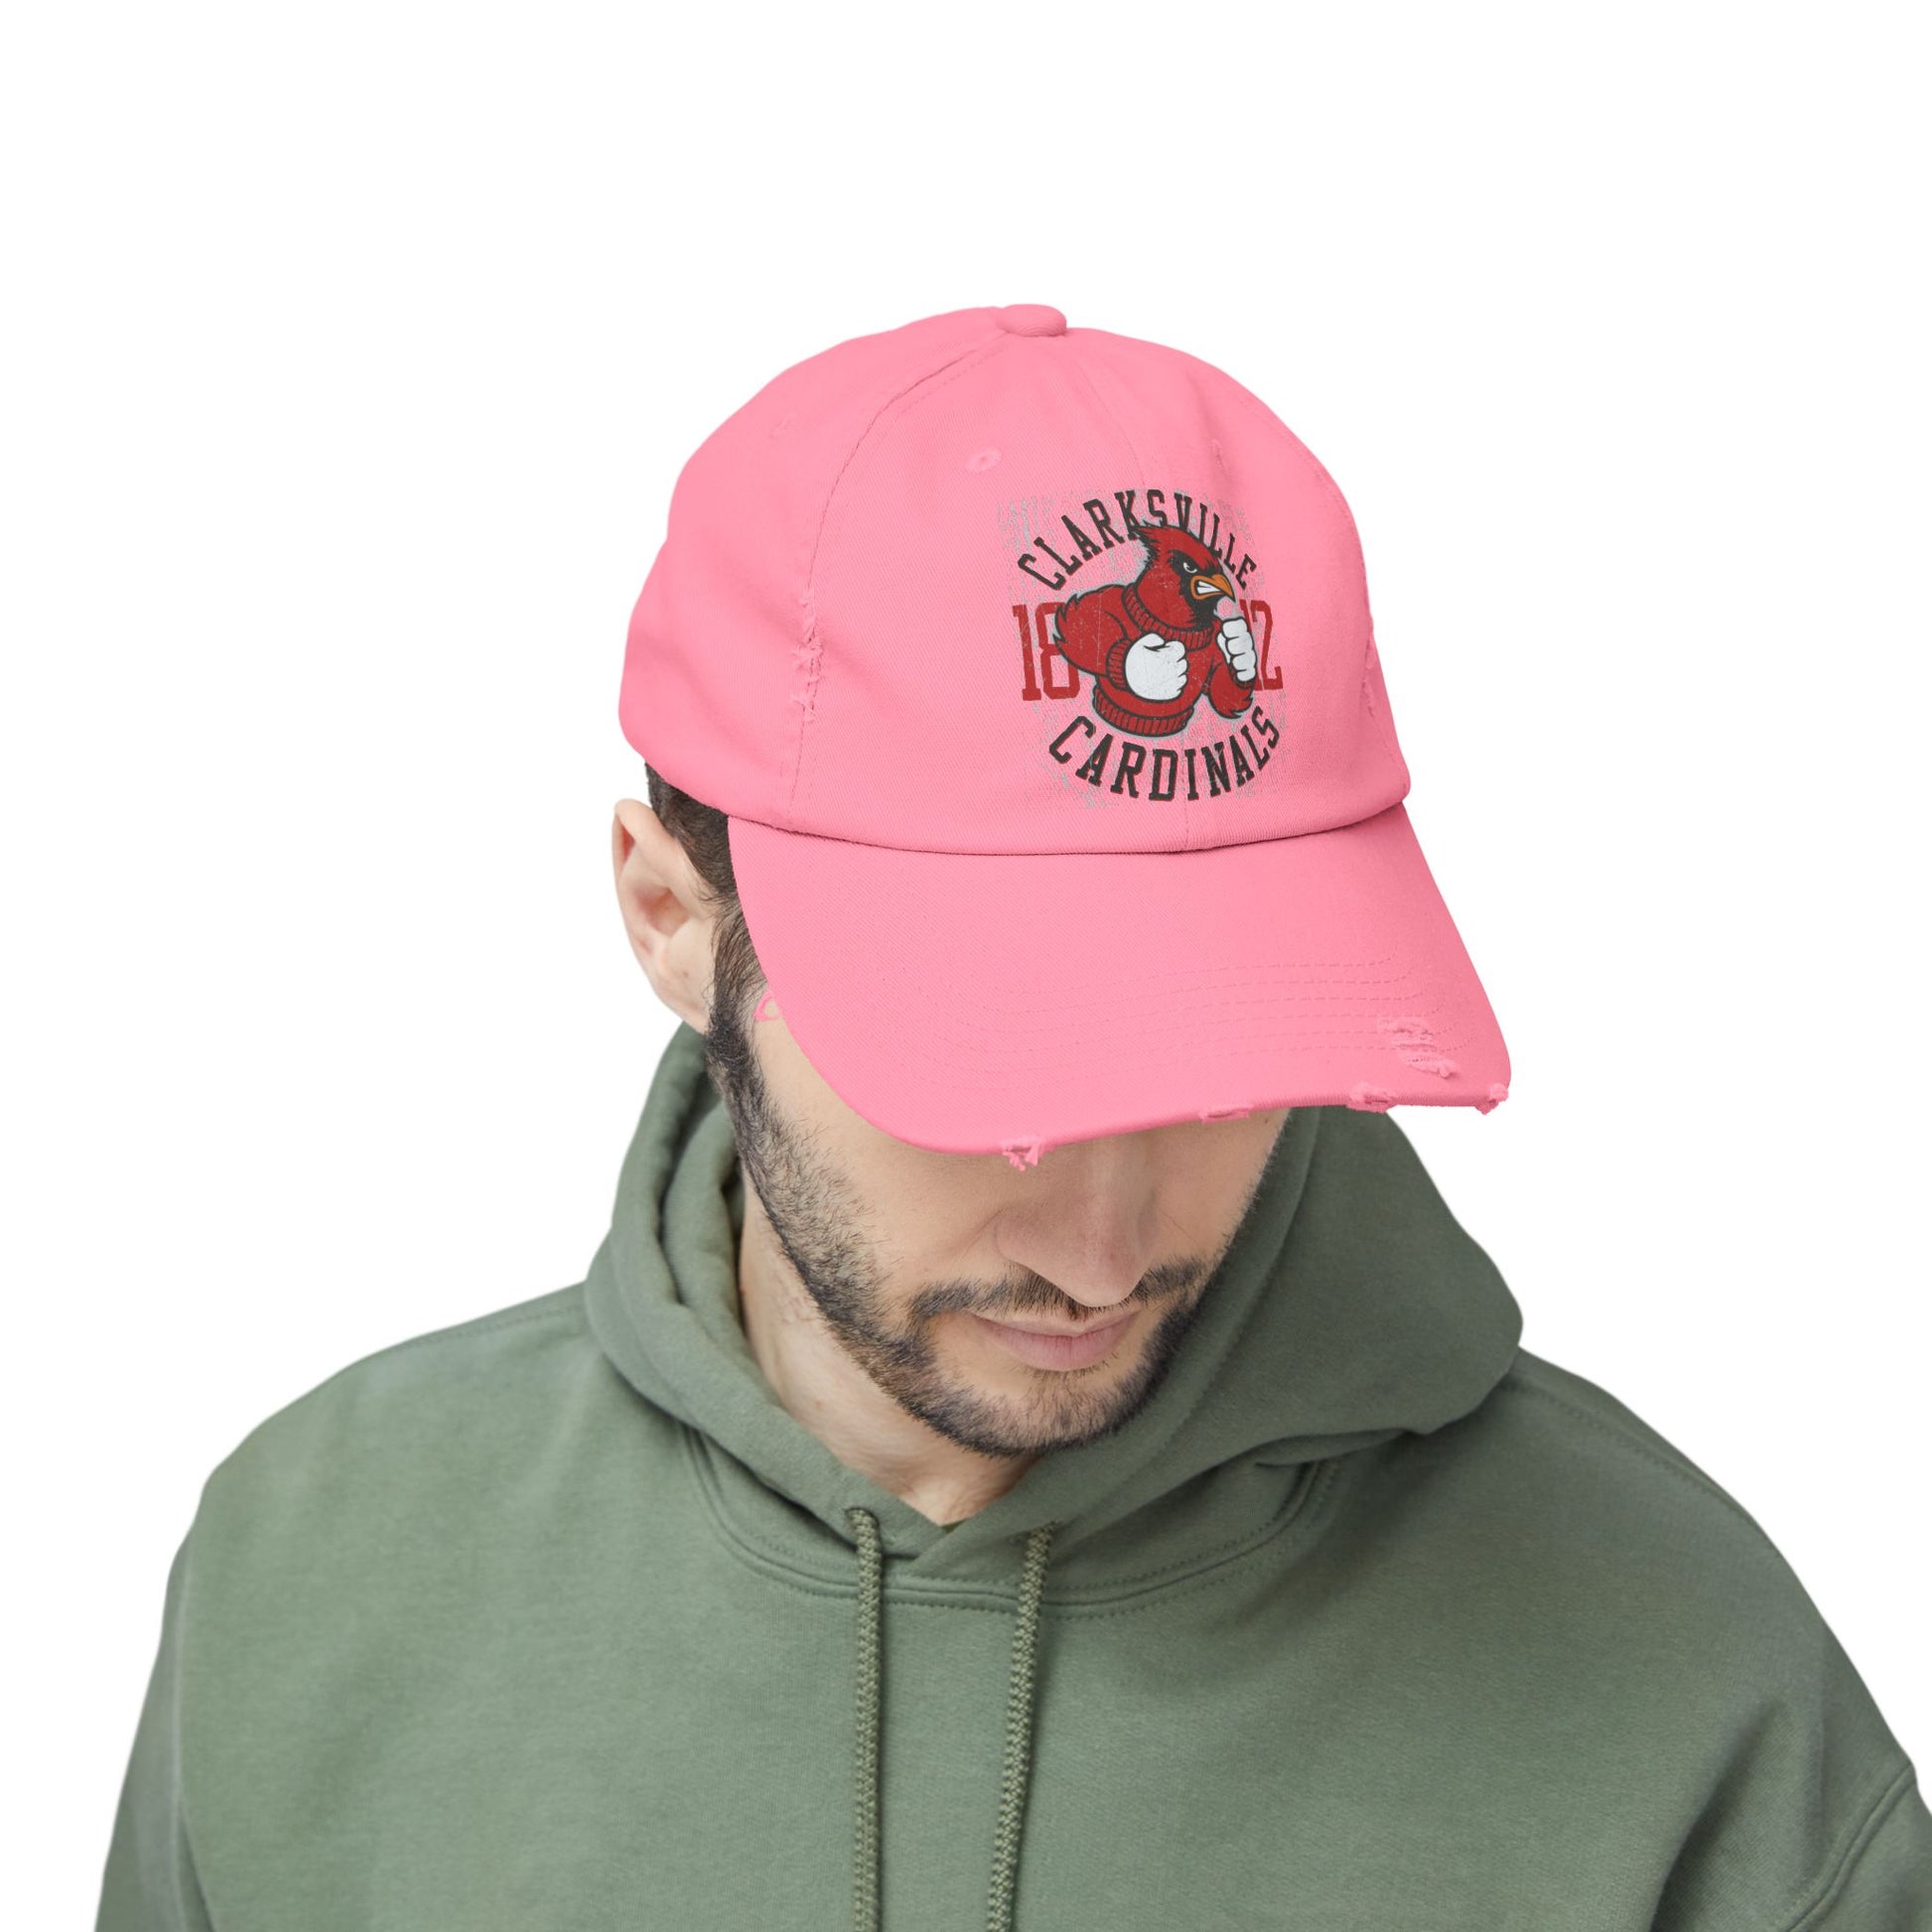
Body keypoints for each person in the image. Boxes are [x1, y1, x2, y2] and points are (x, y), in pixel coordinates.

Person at [96, 304, 1931, 1930]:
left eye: (1218, 1062)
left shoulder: (1681, 1687)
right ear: (667, 914)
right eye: (989, 1079)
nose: (1104, 1249)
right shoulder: (314, 1580)